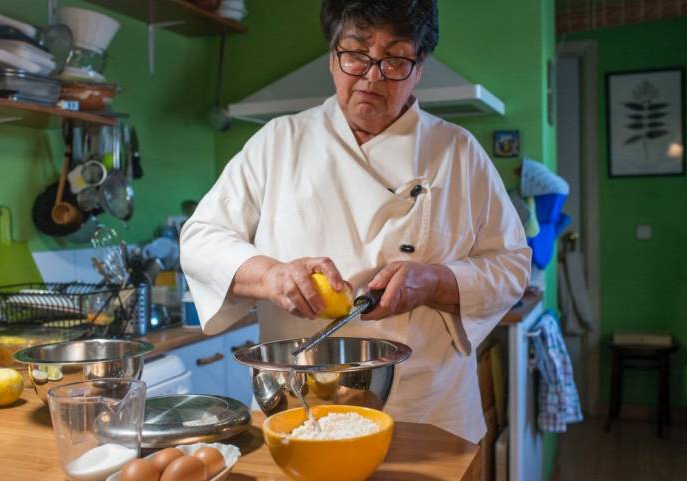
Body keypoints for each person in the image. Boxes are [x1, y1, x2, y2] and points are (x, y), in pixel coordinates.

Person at [180, 0, 530, 443]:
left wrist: (434, 282)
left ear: (419, 68)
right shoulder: (279, 142)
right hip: (298, 408)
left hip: (425, 409)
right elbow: (200, 238)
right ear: (332, 58)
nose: (371, 75)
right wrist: (273, 276)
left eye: (396, 59)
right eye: (356, 54)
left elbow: (512, 264)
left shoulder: (458, 153)